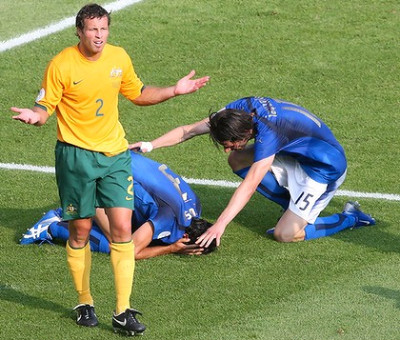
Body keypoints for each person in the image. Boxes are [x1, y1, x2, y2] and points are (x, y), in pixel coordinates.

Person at [10, 3, 209, 335]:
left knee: (121, 231)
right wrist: (35, 117)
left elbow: (139, 93)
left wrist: (174, 90)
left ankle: (122, 311)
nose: (99, 36)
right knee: (81, 231)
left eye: (103, 29)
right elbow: (44, 107)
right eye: (92, 30)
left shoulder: (118, 57)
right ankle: (85, 301)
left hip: (115, 156)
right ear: (79, 31)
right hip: (76, 159)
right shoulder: (61, 64)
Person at [131, 96, 376, 248]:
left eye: (230, 143)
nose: (227, 149)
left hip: (323, 170)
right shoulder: (236, 111)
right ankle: (290, 207)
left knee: (285, 235)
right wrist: (149, 144)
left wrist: (220, 225)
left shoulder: (270, 133)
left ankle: (351, 217)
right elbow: (189, 131)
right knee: (238, 159)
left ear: (245, 134)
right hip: (295, 154)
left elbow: (249, 185)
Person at [20, 152, 217, 258]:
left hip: (116, 154)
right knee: (118, 245)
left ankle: (82, 209)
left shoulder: (195, 206)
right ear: (184, 237)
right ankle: (54, 225)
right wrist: (171, 249)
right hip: (96, 174)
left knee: (135, 227)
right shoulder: (170, 220)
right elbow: (129, 252)